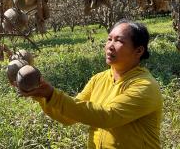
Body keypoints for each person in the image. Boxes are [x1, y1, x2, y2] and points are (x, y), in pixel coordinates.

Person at [16, 19, 163, 149]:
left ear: (138, 51)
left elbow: (108, 116)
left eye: (119, 41)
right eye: (109, 39)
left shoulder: (145, 86)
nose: (110, 46)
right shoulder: (98, 79)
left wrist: (52, 94)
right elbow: (68, 116)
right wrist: (41, 95)